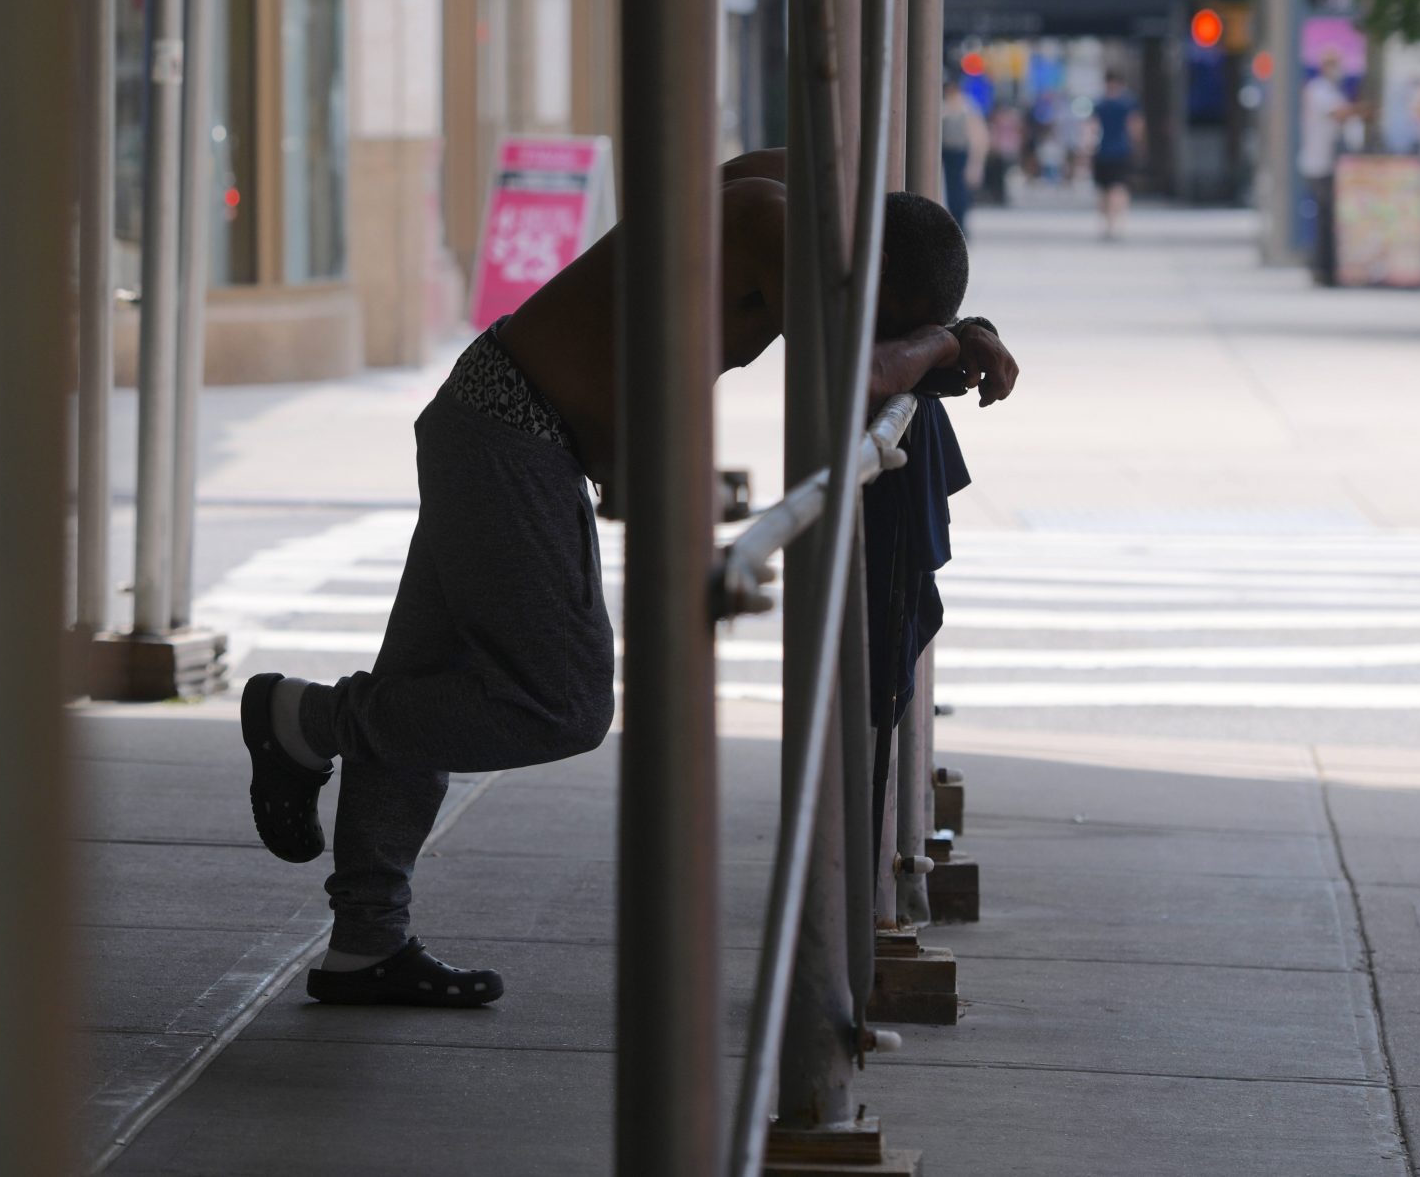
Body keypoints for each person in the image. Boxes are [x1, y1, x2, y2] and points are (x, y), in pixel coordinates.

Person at [239, 152, 1019, 1008]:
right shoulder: (773, 219)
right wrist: (946, 342)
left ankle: (365, 942)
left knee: (426, 690)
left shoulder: (794, 197)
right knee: (564, 701)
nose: (878, 327)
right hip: (518, 435)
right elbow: (850, 374)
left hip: (509, 429)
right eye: (886, 314)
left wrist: (943, 338)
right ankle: (302, 719)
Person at [1298, 61, 1360, 285]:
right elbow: (1339, 113)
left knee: (1329, 220)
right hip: (1319, 164)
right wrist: (1363, 109)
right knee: (1325, 220)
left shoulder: (1330, 91)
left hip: (1326, 164)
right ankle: (1322, 269)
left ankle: (1327, 267)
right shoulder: (1319, 90)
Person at [1089, 71, 1142, 240]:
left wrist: (1088, 149)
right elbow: (1135, 127)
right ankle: (1118, 222)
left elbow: (1092, 128)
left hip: (1102, 150)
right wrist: (1137, 145)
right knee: (1119, 187)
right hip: (1121, 150)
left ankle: (1108, 223)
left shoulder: (1100, 104)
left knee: (1104, 190)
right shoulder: (1128, 104)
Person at [938, 78, 988, 232]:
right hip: (946, 154)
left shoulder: (968, 107)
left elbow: (978, 136)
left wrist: (975, 163)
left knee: (959, 194)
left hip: (961, 154)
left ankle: (960, 225)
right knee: (949, 192)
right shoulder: (944, 107)